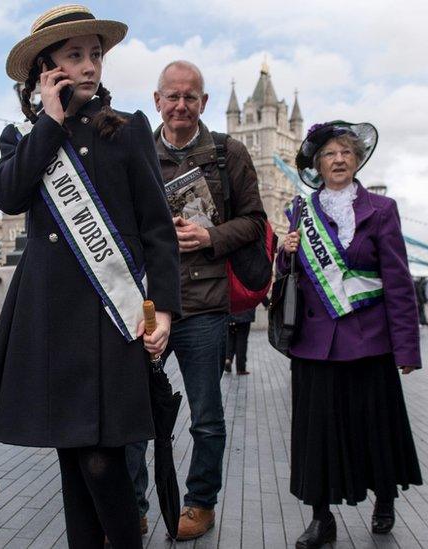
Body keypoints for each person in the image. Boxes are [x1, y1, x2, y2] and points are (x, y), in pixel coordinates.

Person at [0, 6, 180, 548]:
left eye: (95, 55)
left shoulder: (128, 130)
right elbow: (7, 194)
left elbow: (158, 231)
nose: (88, 66)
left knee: (103, 460)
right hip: (50, 315)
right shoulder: (23, 137)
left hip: (112, 316)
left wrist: (167, 311)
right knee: (73, 459)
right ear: (46, 70)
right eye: (74, 56)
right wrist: (51, 121)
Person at [125, 59, 266, 540]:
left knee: (206, 416)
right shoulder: (135, 150)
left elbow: (255, 222)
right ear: (157, 101)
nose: (181, 105)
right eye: (173, 96)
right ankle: (134, 506)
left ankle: (200, 503)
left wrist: (210, 237)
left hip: (205, 303)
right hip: (147, 305)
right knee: (132, 416)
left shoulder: (230, 152)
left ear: (204, 103)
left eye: (191, 97)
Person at [279, 120, 422, 549]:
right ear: (316, 165)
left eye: (345, 152)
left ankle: (384, 497)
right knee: (317, 434)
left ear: (357, 159)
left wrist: (406, 348)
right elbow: (291, 280)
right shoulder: (298, 213)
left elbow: (398, 282)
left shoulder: (382, 209)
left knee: (374, 427)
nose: (337, 159)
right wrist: (282, 257)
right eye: (328, 153)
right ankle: (321, 518)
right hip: (316, 345)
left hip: (370, 343)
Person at [224, 307, 255, 374]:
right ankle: (241, 368)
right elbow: (257, 296)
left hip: (231, 314)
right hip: (245, 315)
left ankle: (228, 359)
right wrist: (267, 304)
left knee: (230, 339)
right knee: (242, 341)